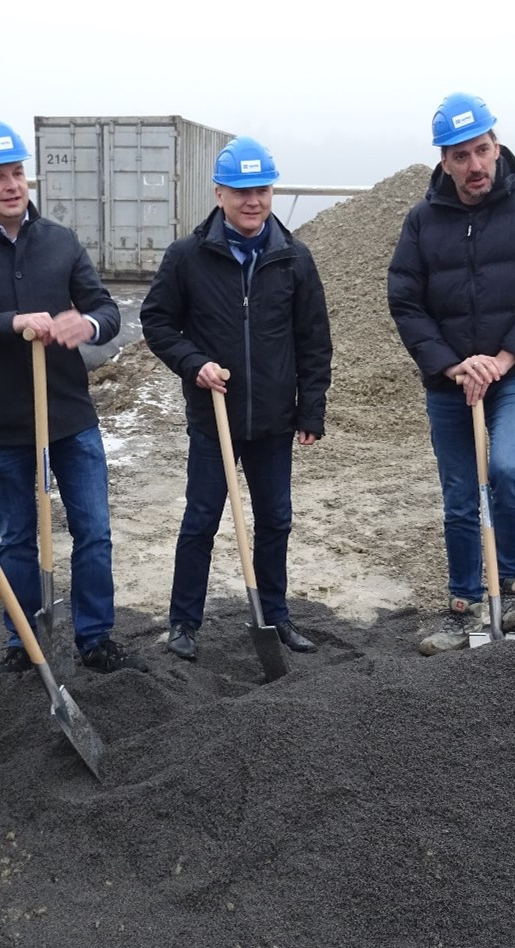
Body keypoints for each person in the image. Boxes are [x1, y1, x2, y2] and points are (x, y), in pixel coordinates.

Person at [0, 118, 146, 674]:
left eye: (18, 173)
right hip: (5, 422)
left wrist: (86, 326)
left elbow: (107, 311)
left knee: (93, 531)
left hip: (71, 417)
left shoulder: (61, 242)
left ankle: (95, 637)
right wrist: (9, 323)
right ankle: (23, 641)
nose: (12, 185)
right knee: (19, 538)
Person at [386, 92, 515, 655]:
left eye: (483, 150)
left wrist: (502, 359)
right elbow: (406, 300)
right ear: (443, 161)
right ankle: (465, 602)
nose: (475, 166)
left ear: (497, 146)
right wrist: (451, 363)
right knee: (460, 490)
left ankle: (513, 591)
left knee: (507, 468)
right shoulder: (422, 222)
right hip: (451, 379)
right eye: (461, 155)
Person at [141, 137, 333, 661]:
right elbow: (157, 321)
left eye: (263, 190)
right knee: (200, 520)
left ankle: (275, 615)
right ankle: (184, 624)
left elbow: (314, 339)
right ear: (220, 192)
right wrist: (193, 363)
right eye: (242, 191)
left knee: (276, 520)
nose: (254, 201)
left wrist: (310, 408)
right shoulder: (187, 256)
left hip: (274, 421)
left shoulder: (294, 258)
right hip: (213, 418)